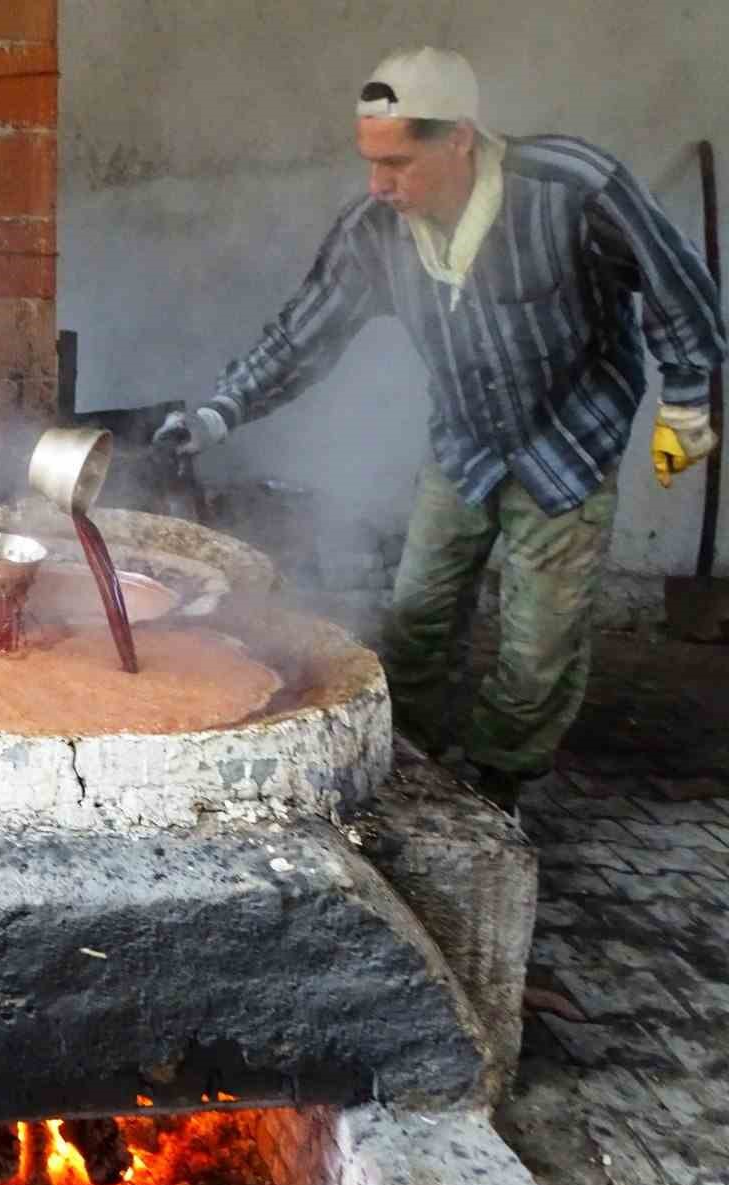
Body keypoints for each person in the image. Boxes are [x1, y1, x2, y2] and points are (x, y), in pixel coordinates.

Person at [155, 48, 725, 816]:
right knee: (416, 614)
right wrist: (221, 411)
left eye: (397, 162)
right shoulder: (376, 231)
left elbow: (674, 281)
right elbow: (303, 332)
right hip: (465, 443)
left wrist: (688, 401)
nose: (377, 185)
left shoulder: (571, 189)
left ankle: (497, 784)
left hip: (570, 443)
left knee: (538, 643)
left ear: (459, 138)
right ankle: (408, 758)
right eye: (369, 162)